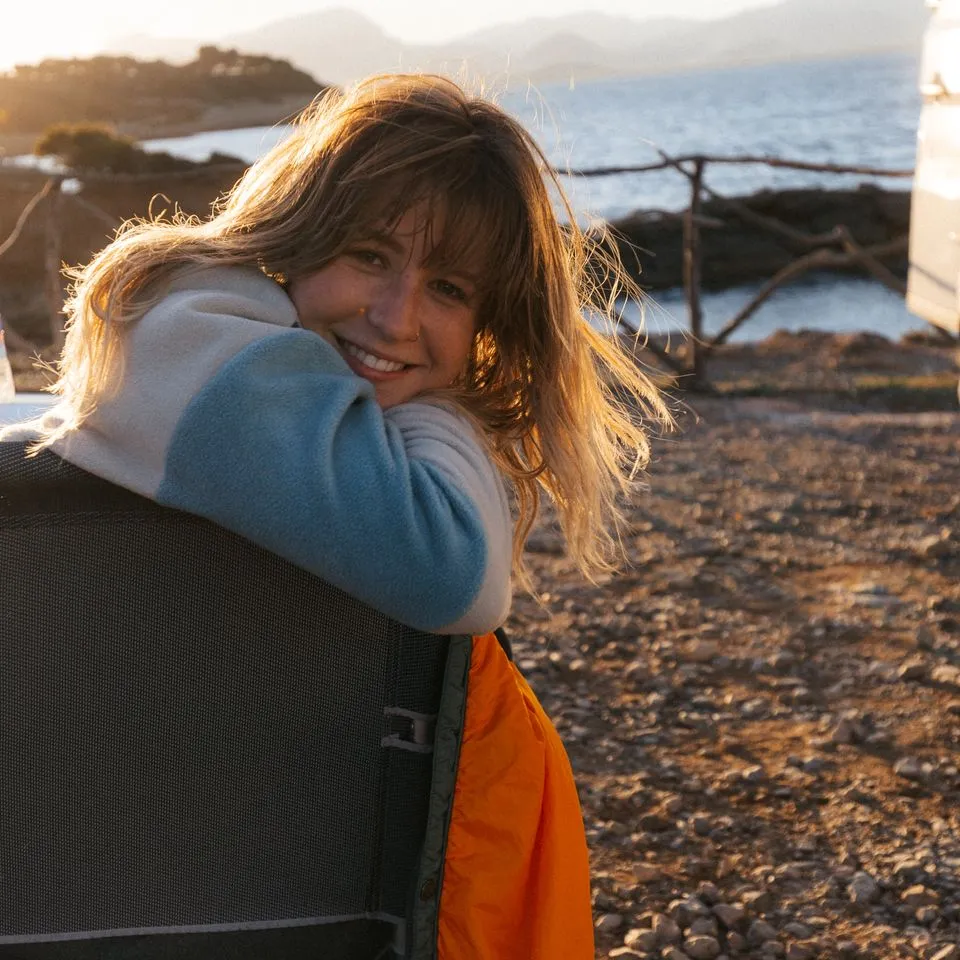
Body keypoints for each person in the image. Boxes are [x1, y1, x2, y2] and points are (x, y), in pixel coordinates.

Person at [4, 74, 672, 957]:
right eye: (367, 255)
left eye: (449, 289)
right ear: (296, 234)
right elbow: (457, 573)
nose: (395, 317)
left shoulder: (218, 357)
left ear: (488, 323)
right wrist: (448, 400)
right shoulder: (185, 342)